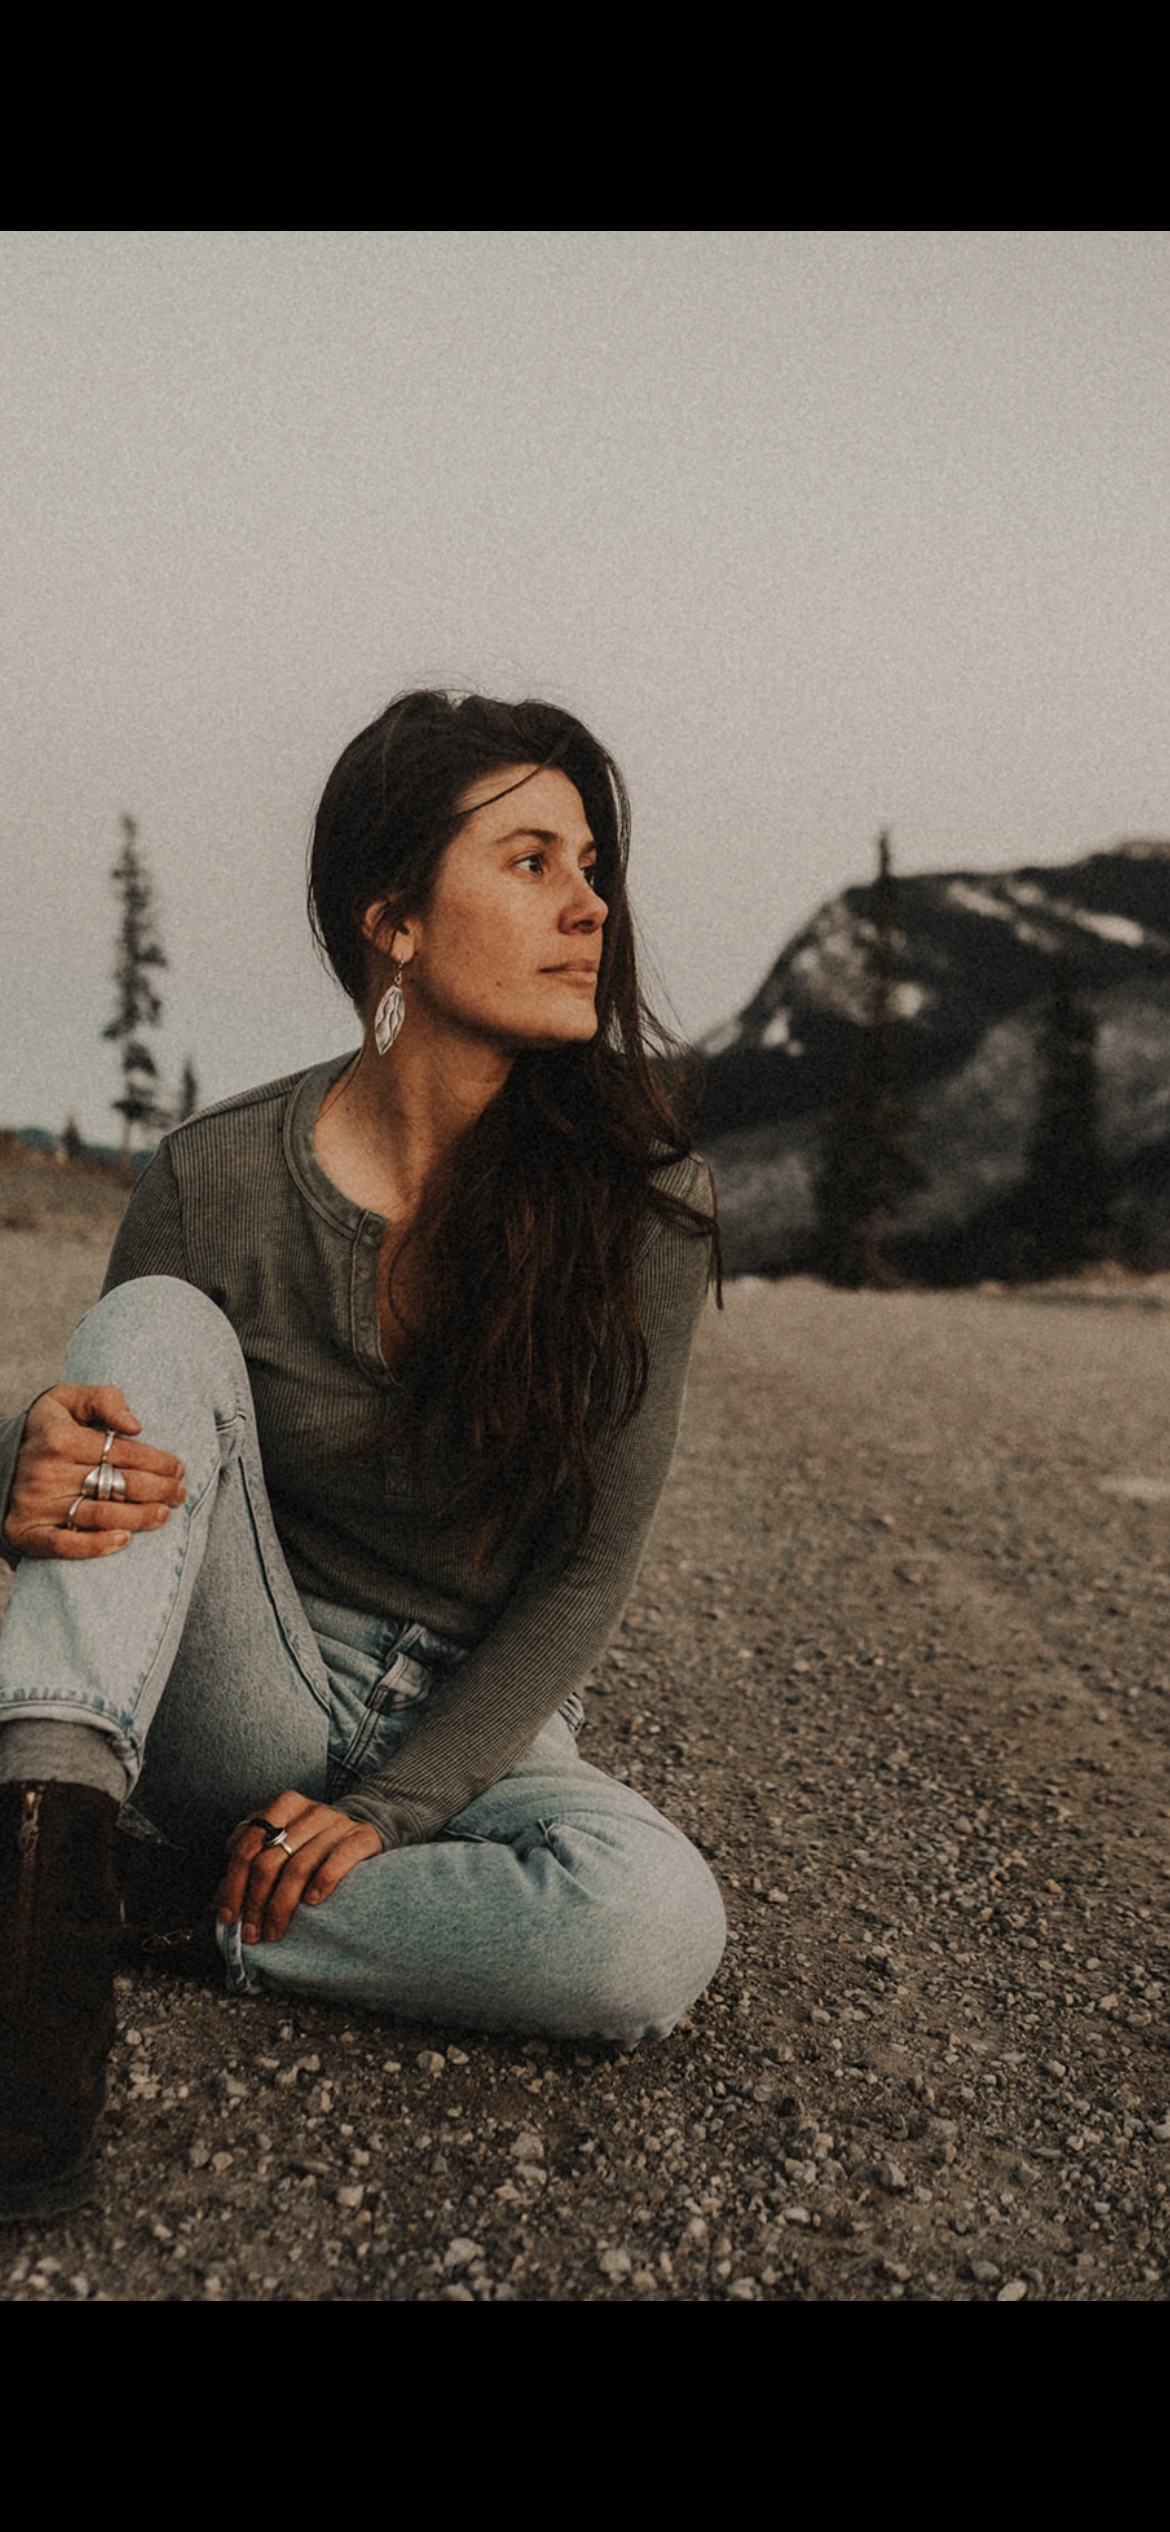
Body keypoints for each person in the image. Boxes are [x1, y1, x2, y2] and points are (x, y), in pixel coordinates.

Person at [0, 689, 726, 2223]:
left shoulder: (643, 1198)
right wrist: (30, 1456)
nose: (588, 904)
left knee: (648, 1931)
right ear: (392, 917)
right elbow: (127, 1441)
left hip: (477, 1737)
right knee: (150, 1321)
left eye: (591, 863)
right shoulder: (216, 1176)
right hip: (240, 1687)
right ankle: (38, 1947)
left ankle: (151, 1902)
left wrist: (393, 1807)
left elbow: (590, 1563)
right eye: (530, 859)